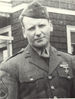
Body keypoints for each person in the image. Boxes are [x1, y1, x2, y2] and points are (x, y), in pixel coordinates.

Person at [0, 1, 75, 99]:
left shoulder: (70, 61)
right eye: (31, 28)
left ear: (50, 26)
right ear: (24, 32)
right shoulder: (11, 67)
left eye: (41, 26)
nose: (38, 32)